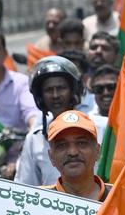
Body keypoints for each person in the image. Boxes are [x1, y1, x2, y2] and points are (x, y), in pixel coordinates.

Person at [17, 56, 106, 186]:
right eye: (49, 90)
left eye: (61, 88)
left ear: (73, 90)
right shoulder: (35, 138)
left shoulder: (102, 127)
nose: (55, 95)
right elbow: (25, 186)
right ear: (40, 96)